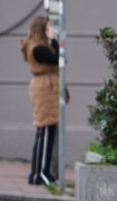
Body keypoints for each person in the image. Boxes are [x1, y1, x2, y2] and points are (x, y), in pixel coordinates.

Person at [20, 16, 63, 185]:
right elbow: (57, 59)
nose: (51, 30)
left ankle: (37, 173)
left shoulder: (37, 46)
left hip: (47, 87)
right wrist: (55, 40)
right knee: (45, 131)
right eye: (48, 28)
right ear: (42, 30)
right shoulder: (37, 48)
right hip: (45, 89)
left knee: (45, 132)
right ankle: (41, 173)